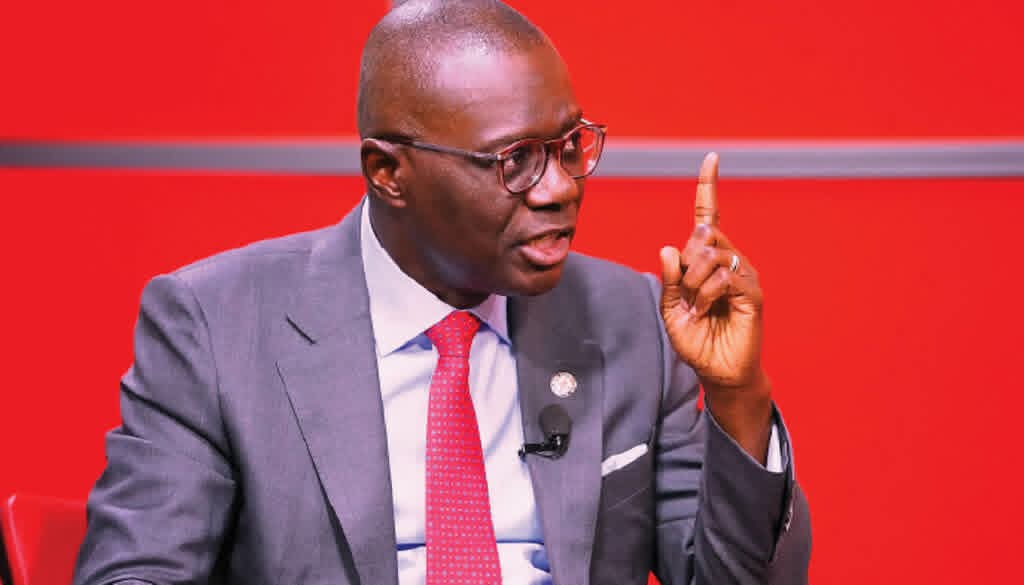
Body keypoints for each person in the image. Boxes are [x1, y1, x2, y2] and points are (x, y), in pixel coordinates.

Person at [73, 1, 811, 584]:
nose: (559, 188)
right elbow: (137, 569)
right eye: (515, 160)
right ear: (388, 173)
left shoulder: (632, 320)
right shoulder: (216, 325)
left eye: (568, 146)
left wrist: (737, 396)